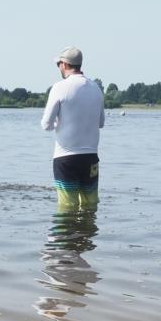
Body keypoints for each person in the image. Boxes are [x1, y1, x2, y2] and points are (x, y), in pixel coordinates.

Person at [40, 47, 105, 211]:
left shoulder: (59, 88)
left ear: (64, 64)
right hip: (91, 158)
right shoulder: (96, 88)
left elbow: (46, 125)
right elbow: (101, 123)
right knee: (90, 205)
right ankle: (87, 235)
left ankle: (67, 236)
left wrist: (59, 123)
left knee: (67, 208)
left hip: (66, 158)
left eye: (59, 64)